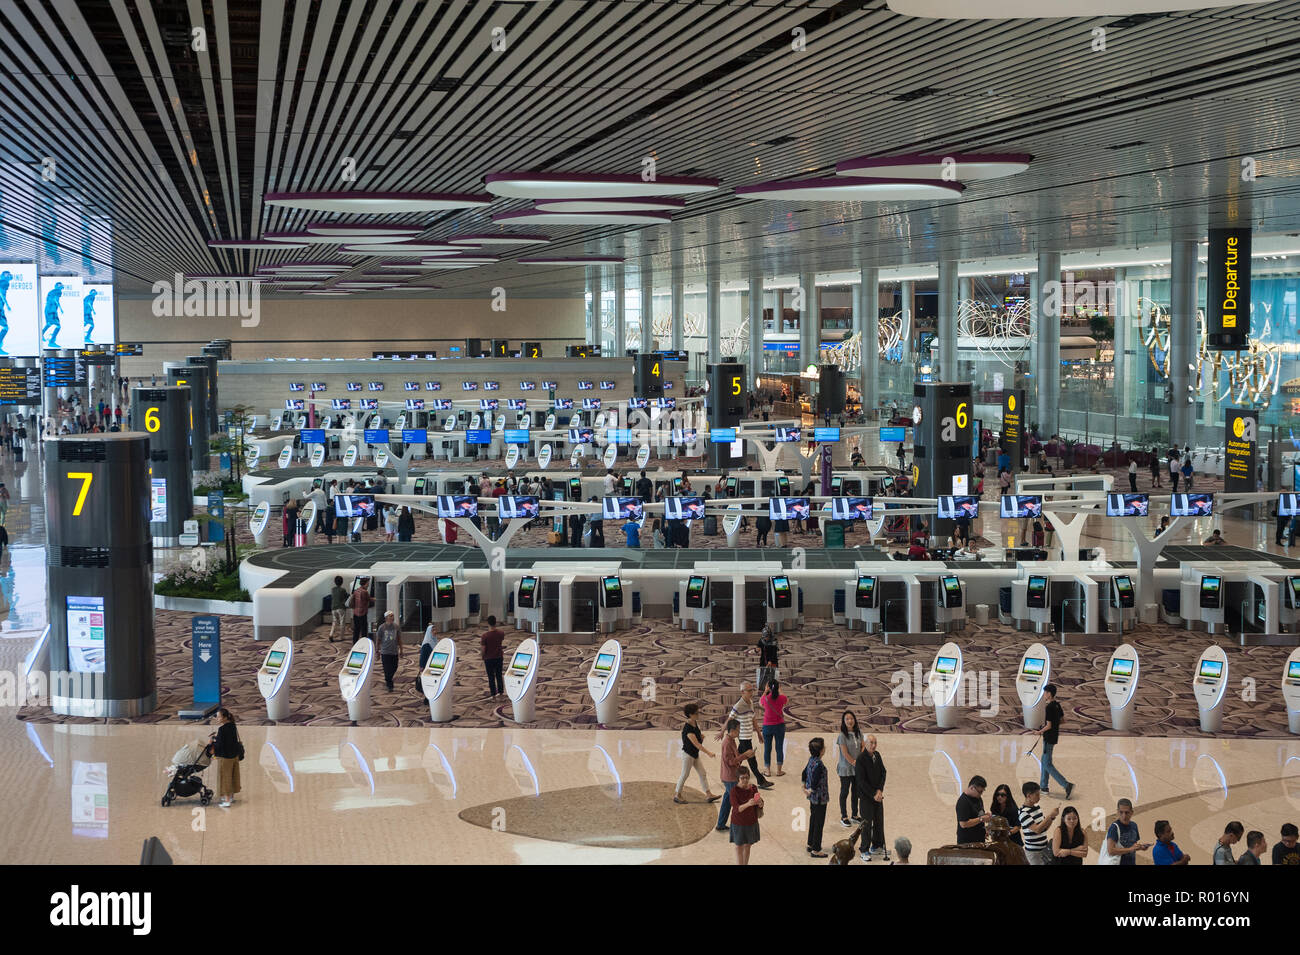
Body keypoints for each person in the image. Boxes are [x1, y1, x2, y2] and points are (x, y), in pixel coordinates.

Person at [719, 682, 773, 790]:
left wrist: (758, 733)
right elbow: (730, 719)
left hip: (748, 736)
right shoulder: (738, 705)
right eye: (749, 691)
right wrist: (722, 731)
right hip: (743, 736)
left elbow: (753, 719)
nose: (751, 692)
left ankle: (730, 775)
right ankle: (761, 780)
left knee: (738, 757)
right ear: (742, 692)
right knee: (752, 760)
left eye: (752, 690)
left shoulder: (751, 703)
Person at [673, 702, 720, 804]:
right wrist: (709, 753)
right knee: (685, 774)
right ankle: (677, 794)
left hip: (694, 754)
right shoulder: (688, 728)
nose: (698, 714)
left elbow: (697, 741)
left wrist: (701, 738)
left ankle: (708, 794)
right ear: (690, 714)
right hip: (688, 755)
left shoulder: (694, 723)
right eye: (696, 713)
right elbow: (697, 745)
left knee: (702, 773)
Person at [1037, 683, 1074, 798]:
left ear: (1049, 694)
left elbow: (1048, 725)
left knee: (1047, 763)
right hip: (1054, 737)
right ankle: (1043, 787)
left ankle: (1066, 784)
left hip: (1048, 737)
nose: (1044, 694)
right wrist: (1052, 724)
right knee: (1044, 761)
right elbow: (1063, 720)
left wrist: (1039, 731)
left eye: (1045, 692)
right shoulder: (1057, 705)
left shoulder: (1049, 707)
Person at [855, 734, 888, 861]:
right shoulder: (861, 759)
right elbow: (861, 781)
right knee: (866, 825)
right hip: (866, 798)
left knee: (879, 821)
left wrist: (879, 790)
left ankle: (877, 845)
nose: (873, 745)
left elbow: (883, 772)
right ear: (865, 743)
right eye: (871, 743)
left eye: (875, 742)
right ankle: (864, 849)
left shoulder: (877, 755)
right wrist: (873, 794)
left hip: (877, 796)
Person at [716, 719, 746, 832]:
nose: (739, 732)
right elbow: (730, 761)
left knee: (727, 801)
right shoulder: (727, 742)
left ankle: (721, 824)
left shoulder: (732, 740)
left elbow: (735, 758)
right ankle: (740, 825)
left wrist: (745, 756)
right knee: (737, 802)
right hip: (730, 777)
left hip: (730, 775)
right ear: (732, 730)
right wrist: (744, 756)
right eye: (738, 730)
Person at [728, 766, 762, 865]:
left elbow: (759, 801)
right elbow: (736, 809)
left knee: (748, 846)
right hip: (738, 823)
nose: (745, 780)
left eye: (747, 777)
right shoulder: (734, 791)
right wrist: (748, 804)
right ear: (738, 778)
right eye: (742, 778)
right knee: (738, 846)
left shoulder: (753, 788)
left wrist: (760, 803)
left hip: (751, 821)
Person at [209, 707, 242, 808]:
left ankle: (227, 800)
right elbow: (229, 740)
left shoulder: (222, 729)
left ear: (224, 718)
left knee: (225, 778)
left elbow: (220, 745)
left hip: (225, 757)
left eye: (219, 717)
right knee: (233, 775)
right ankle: (231, 796)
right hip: (234, 755)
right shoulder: (232, 725)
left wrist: (212, 742)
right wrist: (217, 738)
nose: (217, 719)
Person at [802, 738, 830, 858]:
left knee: (813, 819)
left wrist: (804, 785)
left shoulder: (811, 760)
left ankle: (810, 843)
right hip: (820, 798)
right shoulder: (819, 764)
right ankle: (816, 849)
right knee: (819, 822)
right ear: (821, 750)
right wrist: (810, 789)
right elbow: (815, 780)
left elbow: (804, 772)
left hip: (813, 798)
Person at [1019, 782, 1059, 865]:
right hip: (1033, 852)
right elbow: (1037, 829)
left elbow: (1044, 828)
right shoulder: (1023, 813)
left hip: (1044, 848)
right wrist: (1049, 816)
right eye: (1037, 795)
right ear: (1029, 795)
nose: (1039, 797)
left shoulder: (1037, 808)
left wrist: (1052, 818)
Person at [835, 710, 862, 828]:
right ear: (844, 722)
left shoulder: (859, 733)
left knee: (856, 792)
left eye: (851, 718)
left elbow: (863, 747)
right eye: (847, 719)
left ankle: (855, 815)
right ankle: (844, 816)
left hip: (857, 768)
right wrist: (854, 762)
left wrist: (859, 762)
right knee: (844, 792)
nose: (850, 721)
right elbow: (844, 753)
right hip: (845, 768)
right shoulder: (842, 736)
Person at [1105, 798, 1150, 865]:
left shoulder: (1134, 826)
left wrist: (1140, 847)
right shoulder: (1114, 828)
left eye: (1127, 812)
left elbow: (1133, 846)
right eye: (1121, 812)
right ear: (1117, 812)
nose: (1124, 816)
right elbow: (1110, 850)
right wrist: (1130, 849)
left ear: (1132, 812)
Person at [759, 679, 788, 777]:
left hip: (767, 726)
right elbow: (786, 701)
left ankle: (768, 771)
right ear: (778, 687)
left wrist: (765, 691)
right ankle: (779, 771)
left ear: (768, 687)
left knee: (767, 748)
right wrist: (780, 690)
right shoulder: (782, 697)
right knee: (779, 748)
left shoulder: (766, 698)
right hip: (779, 726)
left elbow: (760, 703)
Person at [956, 775, 992, 844]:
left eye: (982, 791)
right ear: (972, 788)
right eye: (980, 791)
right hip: (967, 843)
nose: (981, 794)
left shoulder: (978, 798)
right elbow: (963, 824)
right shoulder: (963, 801)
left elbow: (979, 815)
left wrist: (984, 828)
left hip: (979, 840)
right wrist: (981, 819)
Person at [375, 610, 403, 691]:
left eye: (393, 616)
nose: (392, 617)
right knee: (387, 669)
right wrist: (377, 651)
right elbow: (378, 640)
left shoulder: (396, 627)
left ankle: (388, 679)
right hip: (385, 652)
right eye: (390, 616)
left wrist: (401, 650)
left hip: (394, 651)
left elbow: (399, 639)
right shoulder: (381, 627)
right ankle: (389, 684)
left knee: (395, 667)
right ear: (386, 618)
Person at [481, 615, 505, 698]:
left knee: (491, 676)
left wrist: (482, 656)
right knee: (499, 675)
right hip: (499, 657)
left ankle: (493, 694)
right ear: (496, 622)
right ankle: (501, 692)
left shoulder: (485, 636)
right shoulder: (501, 633)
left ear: (488, 623)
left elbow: (484, 649)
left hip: (488, 658)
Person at [348, 578, 371, 645]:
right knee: (364, 630)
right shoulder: (365, 592)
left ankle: (354, 643)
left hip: (355, 613)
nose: (368, 585)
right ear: (365, 583)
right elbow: (369, 599)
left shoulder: (356, 591)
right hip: (363, 613)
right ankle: (364, 644)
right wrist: (376, 599)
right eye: (368, 583)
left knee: (356, 630)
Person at [328, 575, 349, 642]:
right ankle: (341, 637)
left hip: (333, 608)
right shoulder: (343, 590)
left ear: (335, 582)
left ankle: (331, 634)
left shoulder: (333, 589)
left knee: (334, 622)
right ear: (342, 582)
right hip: (341, 608)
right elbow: (346, 596)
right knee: (342, 622)